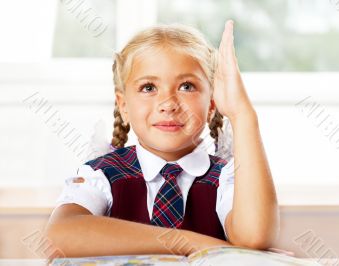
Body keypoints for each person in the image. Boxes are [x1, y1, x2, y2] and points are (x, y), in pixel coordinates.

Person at [45, 20, 279, 258]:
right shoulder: (101, 174)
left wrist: (242, 114)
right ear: (124, 106)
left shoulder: (227, 179)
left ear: (211, 105)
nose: (168, 104)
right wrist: (196, 245)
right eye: (149, 87)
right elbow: (60, 236)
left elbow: (254, 237)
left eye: (187, 86)